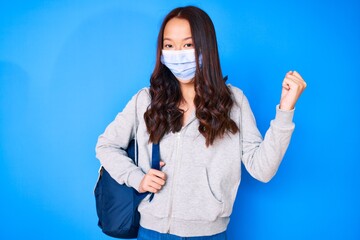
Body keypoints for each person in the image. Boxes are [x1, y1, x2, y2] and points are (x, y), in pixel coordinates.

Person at [95, 5, 306, 240]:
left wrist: (285, 111)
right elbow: (106, 146)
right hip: (151, 232)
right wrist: (138, 179)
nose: (178, 53)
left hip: (208, 234)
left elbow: (262, 170)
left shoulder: (233, 102)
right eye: (169, 45)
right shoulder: (146, 100)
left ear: (206, 47)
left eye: (188, 44)